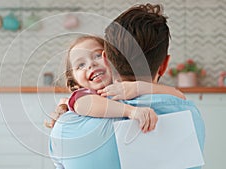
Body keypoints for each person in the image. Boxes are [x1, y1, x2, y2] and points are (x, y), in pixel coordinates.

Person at [49, 3, 205, 169]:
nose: (90, 66)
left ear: (106, 60)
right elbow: (178, 96)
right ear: (164, 65)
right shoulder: (190, 115)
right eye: (80, 65)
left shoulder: (65, 127)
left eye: (95, 57)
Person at [45, 35, 185, 132]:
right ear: (74, 81)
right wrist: (132, 112)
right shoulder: (84, 95)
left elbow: (179, 96)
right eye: (80, 65)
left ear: (111, 58)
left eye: (98, 55)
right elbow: (84, 104)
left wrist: (137, 88)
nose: (91, 64)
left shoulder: (125, 87)